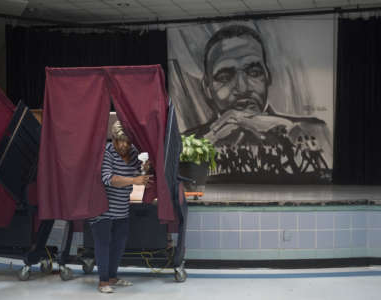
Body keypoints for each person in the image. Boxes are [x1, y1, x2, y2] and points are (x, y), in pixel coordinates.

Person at [181, 24, 331, 176]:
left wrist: (283, 127)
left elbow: (325, 173)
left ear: (268, 76)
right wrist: (212, 136)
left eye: (253, 72)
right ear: (207, 88)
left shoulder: (315, 129)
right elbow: (184, 175)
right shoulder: (189, 140)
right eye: (225, 77)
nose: (242, 88)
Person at [88, 120, 151, 293]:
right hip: (102, 208)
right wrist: (134, 180)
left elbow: (138, 173)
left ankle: (112, 277)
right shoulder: (107, 152)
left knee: (119, 243)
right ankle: (103, 282)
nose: (123, 145)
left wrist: (144, 169)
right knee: (103, 243)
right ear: (113, 139)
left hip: (121, 208)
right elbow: (108, 178)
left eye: (127, 141)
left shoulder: (133, 153)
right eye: (119, 141)